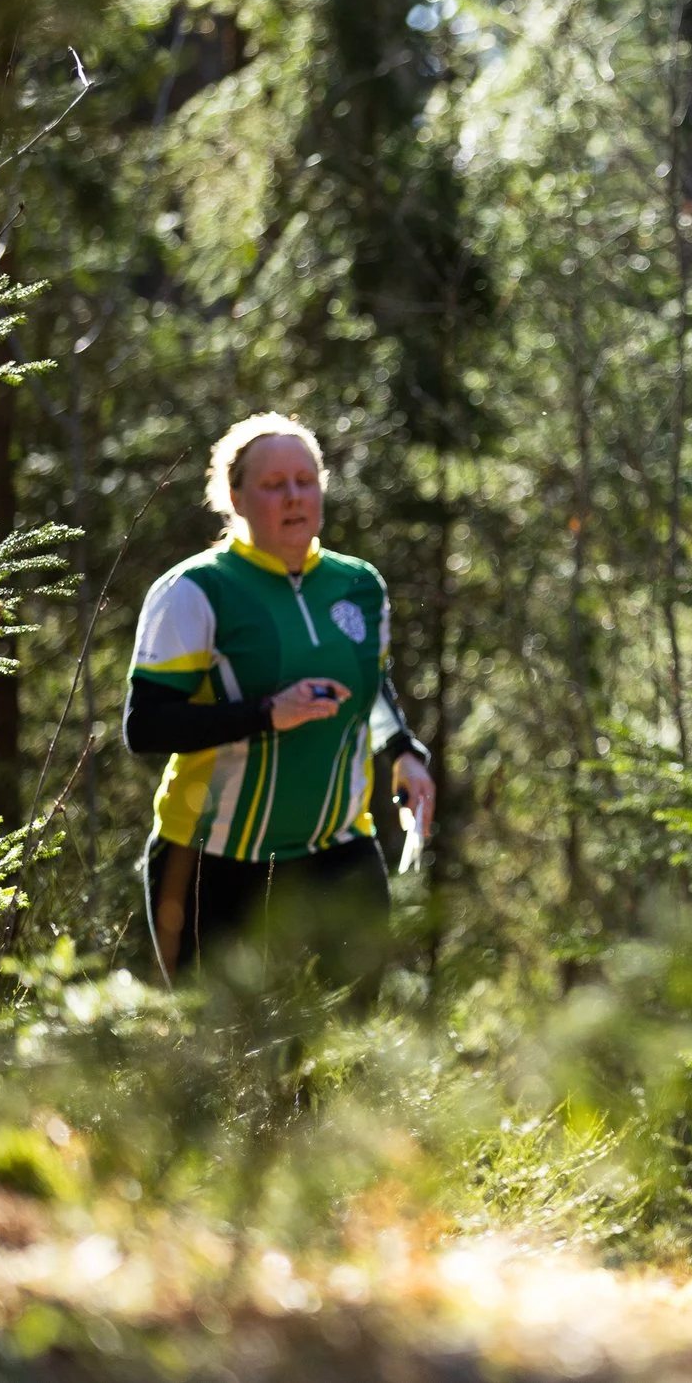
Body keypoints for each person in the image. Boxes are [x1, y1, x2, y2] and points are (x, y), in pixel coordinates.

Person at [126, 413, 437, 989]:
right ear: (235, 498)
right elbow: (146, 727)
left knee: (349, 1037)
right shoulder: (194, 591)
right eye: (273, 485)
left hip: (339, 849)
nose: (294, 497)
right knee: (223, 1042)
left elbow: (370, 684)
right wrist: (267, 714)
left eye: (305, 480)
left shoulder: (359, 585)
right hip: (212, 862)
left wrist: (402, 751)